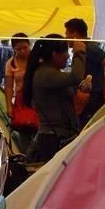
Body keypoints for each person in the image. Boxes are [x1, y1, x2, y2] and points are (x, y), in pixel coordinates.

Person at [23, 34, 86, 163]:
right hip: (53, 140)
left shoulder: (49, 73)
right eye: (65, 53)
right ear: (54, 54)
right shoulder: (45, 74)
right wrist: (79, 53)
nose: (67, 56)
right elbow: (75, 76)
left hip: (57, 137)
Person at [64, 18, 105, 125]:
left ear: (75, 34)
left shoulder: (90, 48)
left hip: (91, 100)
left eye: (67, 34)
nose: (66, 38)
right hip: (86, 99)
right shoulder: (82, 50)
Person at [4, 33, 39, 133]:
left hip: (38, 99)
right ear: (14, 49)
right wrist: (9, 106)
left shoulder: (38, 59)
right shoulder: (10, 64)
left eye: (25, 47)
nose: (23, 51)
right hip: (21, 102)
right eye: (19, 49)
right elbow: (9, 87)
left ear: (29, 45)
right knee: (24, 128)